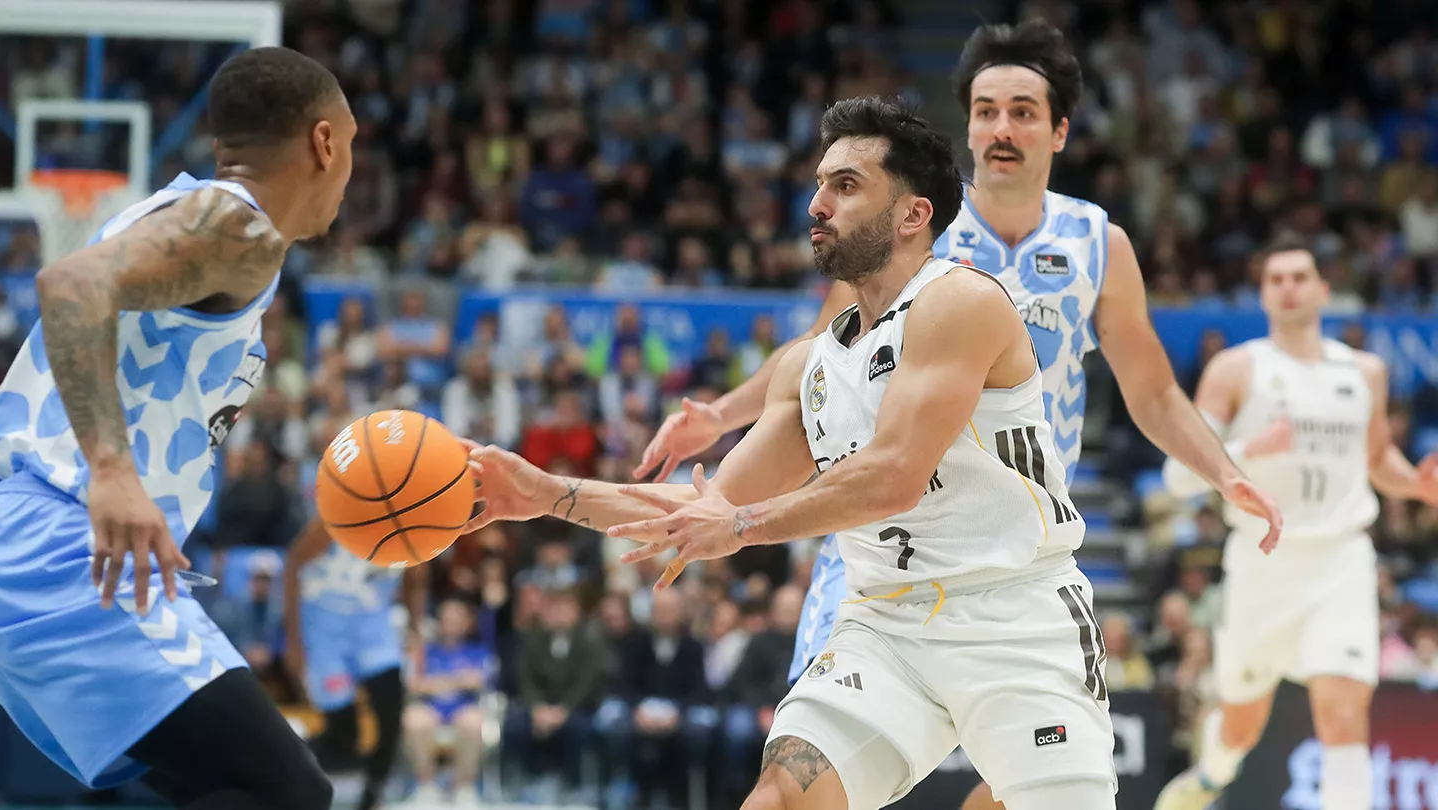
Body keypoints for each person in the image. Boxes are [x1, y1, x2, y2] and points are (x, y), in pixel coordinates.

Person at [633, 21, 1283, 808]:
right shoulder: (908, 224)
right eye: (984, 111)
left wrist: (1224, 472)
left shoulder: (1097, 243)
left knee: (1009, 788)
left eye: (1022, 111)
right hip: (879, 532)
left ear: (1060, 130)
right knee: (807, 777)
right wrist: (721, 416)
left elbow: (1152, 392)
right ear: (967, 125)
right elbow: (815, 358)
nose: (1001, 128)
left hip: (1006, 544)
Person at [469, 96, 1120, 810]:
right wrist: (540, 495)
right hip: (887, 626)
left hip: (1014, 617)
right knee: (779, 797)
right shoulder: (807, 368)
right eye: (819, 184)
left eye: (845, 185)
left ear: (913, 214)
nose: (817, 203)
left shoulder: (958, 302)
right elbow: (702, 510)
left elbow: (894, 474)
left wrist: (742, 528)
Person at [0, 47, 352, 809]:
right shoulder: (235, 223)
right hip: (61, 543)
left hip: (43, 541)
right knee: (285, 793)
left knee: (226, 787)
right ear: (325, 143)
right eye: (351, 147)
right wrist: (112, 471)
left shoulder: (187, 215)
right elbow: (70, 285)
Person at [1154, 236, 1438, 810]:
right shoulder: (1235, 369)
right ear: (1261, 293)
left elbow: (1377, 458)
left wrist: (1418, 485)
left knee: (1342, 712)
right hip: (1263, 562)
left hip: (1340, 559)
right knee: (1241, 726)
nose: (1288, 287)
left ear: (1323, 289)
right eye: (1275, 278)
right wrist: (1248, 448)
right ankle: (1211, 774)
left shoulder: (1365, 371)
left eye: (1299, 276)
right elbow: (1177, 478)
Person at [284, 517, 427, 810]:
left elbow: (416, 579)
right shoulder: (334, 520)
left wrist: (414, 628)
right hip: (327, 632)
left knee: (391, 714)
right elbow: (291, 568)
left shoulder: (411, 526)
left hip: (375, 631)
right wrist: (294, 641)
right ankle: (287, 764)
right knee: (344, 732)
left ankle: (373, 795)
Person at [402, 597, 498, 807]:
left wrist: (438, 683)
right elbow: (414, 684)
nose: (451, 624)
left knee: (472, 722)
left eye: (457, 619)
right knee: (414, 720)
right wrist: (456, 680)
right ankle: (426, 786)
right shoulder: (425, 651)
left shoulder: (478, 650)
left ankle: (464, 786)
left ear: (466, 622)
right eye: (447, 619)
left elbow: (478, 680)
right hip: (431, 708)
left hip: (463, 707)